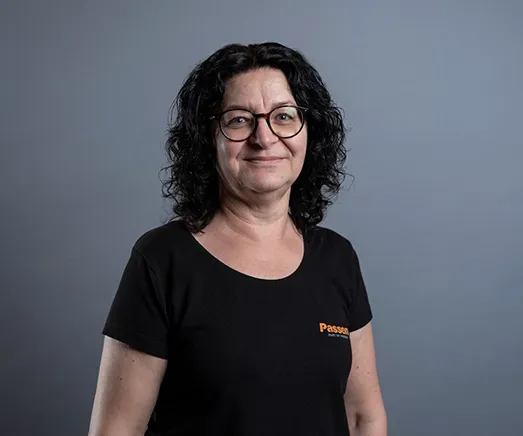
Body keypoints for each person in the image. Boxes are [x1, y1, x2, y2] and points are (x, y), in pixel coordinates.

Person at [88, 42, 387, 436]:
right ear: (207, 137)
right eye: (240, 120)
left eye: (284, 116)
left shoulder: (337, 258)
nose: (264, 138)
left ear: (309, 132)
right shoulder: (162, 259)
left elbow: (363, 417)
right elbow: (117, 429)